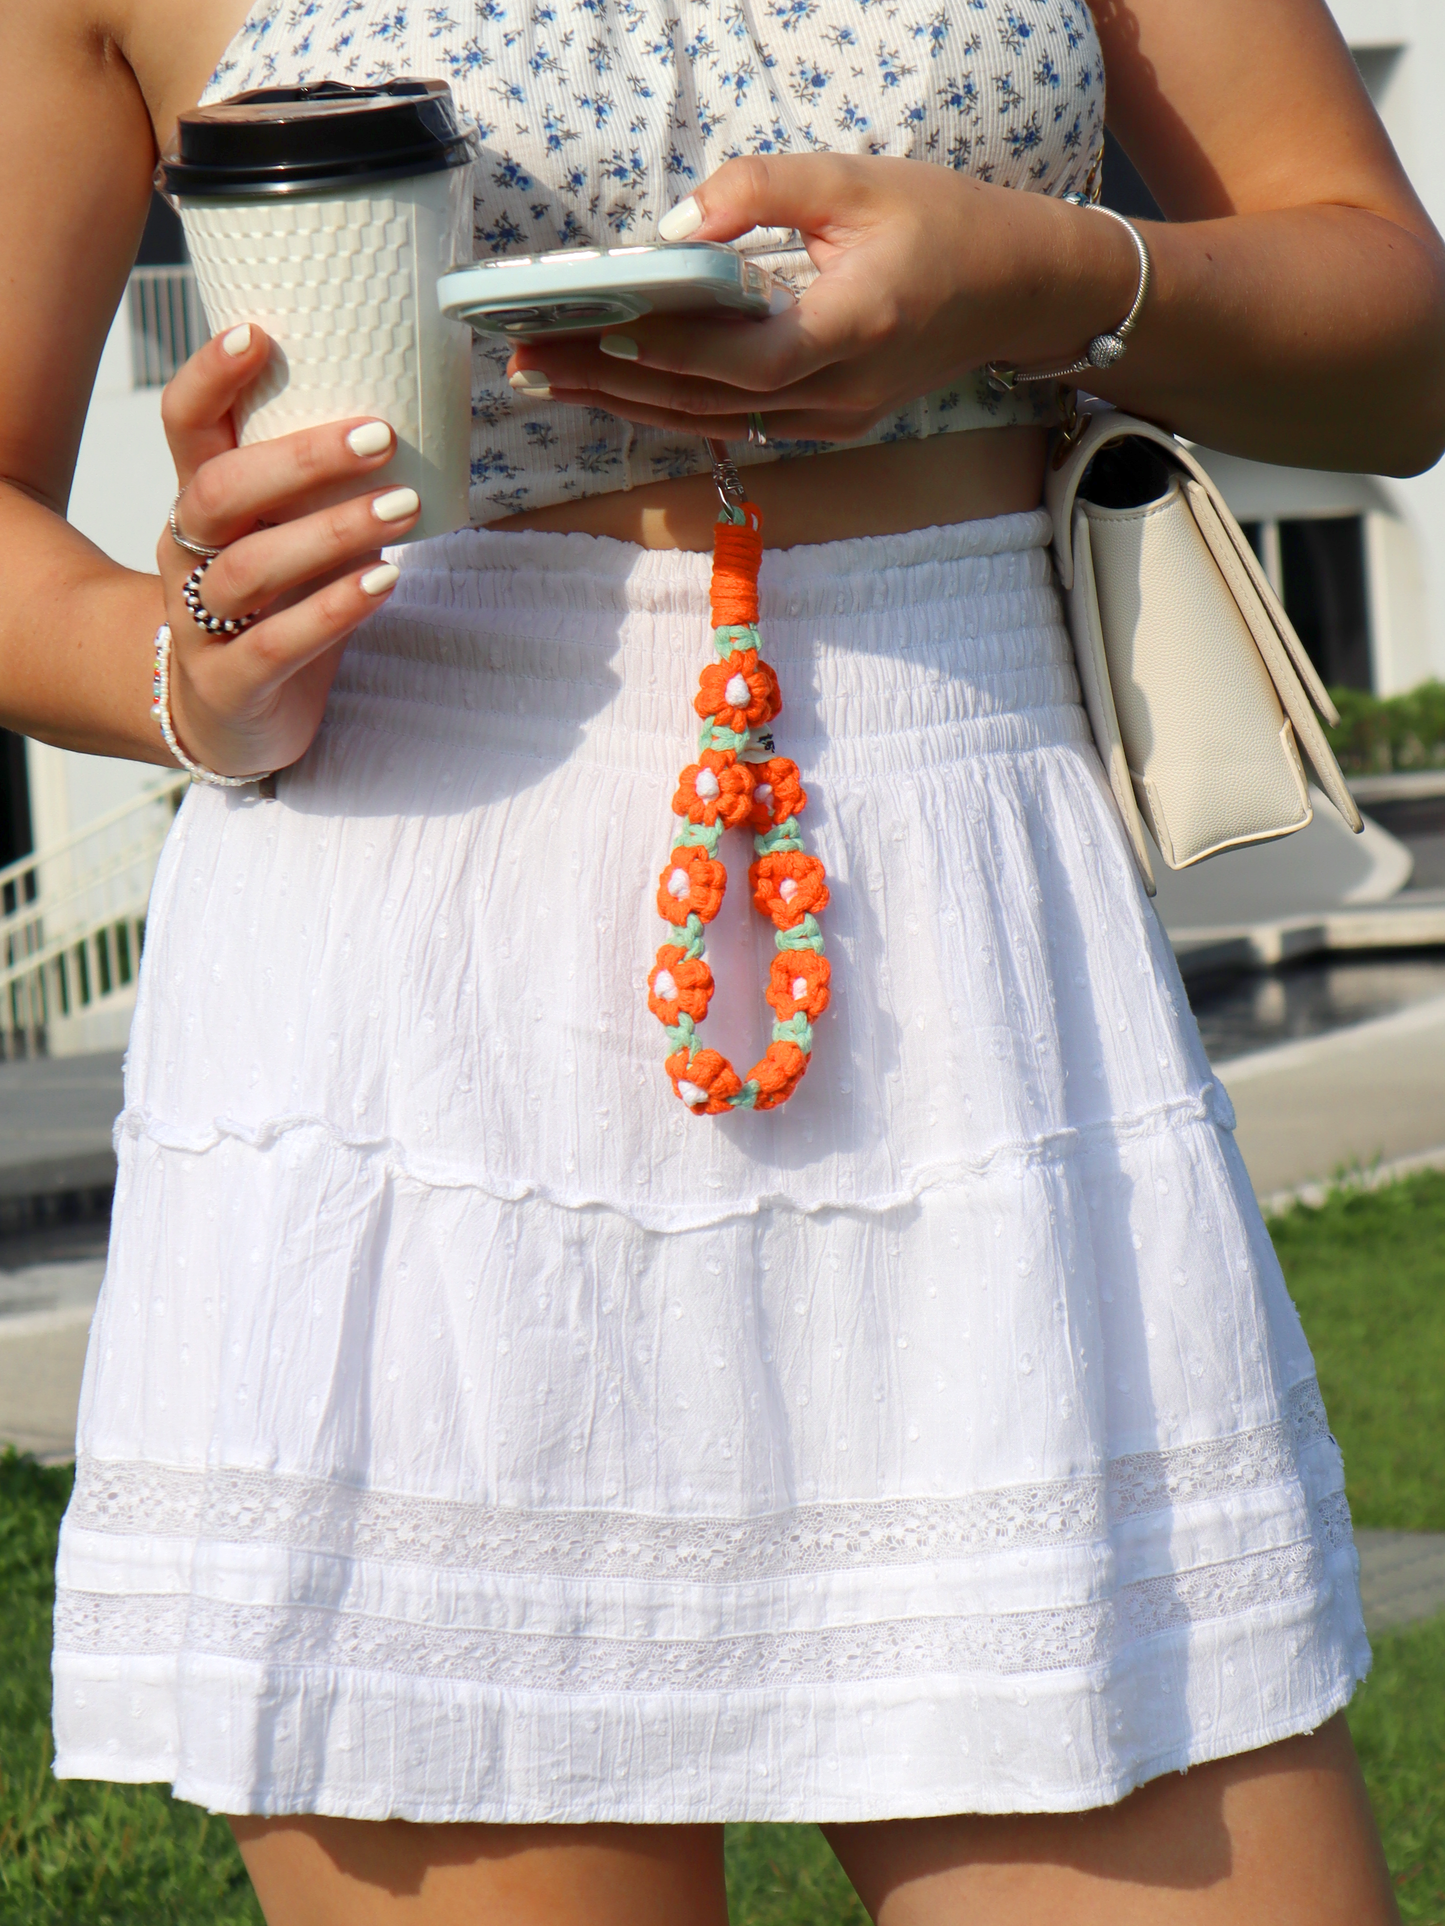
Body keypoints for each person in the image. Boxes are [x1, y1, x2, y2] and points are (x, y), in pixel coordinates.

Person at [4, 0, 1439, 1918]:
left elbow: (1396, 344)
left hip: (981, 981)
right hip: (411, 1013)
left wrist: (1035, 272)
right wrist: (187, 665)